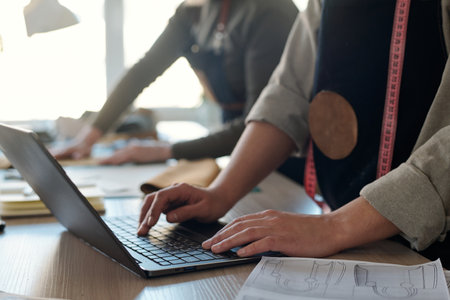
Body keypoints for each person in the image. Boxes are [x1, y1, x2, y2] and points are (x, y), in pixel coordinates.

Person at [136, 0, 450, 265]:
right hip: (356, 237)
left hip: (433, 250)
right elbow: (289, 93)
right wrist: (221, 194)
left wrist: (335, 227)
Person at [54, 0, 304, 182]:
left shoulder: (271, 12)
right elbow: (142, 72)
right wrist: (86, 138)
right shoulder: (192, 11)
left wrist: (166, 151)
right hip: (237, 143)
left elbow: (260, 124)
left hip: (282, 153)